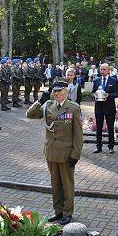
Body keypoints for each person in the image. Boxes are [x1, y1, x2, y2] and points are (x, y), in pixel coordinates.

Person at [26, 80, 83, 226]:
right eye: (54, 91)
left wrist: (75, 154)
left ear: (66, 91)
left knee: (67, 184)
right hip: (51, 151)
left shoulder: (73, 108)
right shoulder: (48, 105)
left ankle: (67, 212)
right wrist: (40, 101)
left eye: (59, 91)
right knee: (55, 183)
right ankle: (58, 211)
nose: (56, 93)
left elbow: (78, 134)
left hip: (66, 154)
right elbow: (29, 114)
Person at [92, 63, 118, 154]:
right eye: (101, 69)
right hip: (99, 107)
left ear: (108, 70)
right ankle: (98, 146)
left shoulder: (113, 80)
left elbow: (117, 94)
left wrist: (109, 95)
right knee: (98, 127)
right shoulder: (96, 80)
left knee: (110, 128)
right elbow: (93, 92)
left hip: (109, 107)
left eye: (104, 69)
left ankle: (111, 146)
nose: (102, 71)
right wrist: (95, 95)